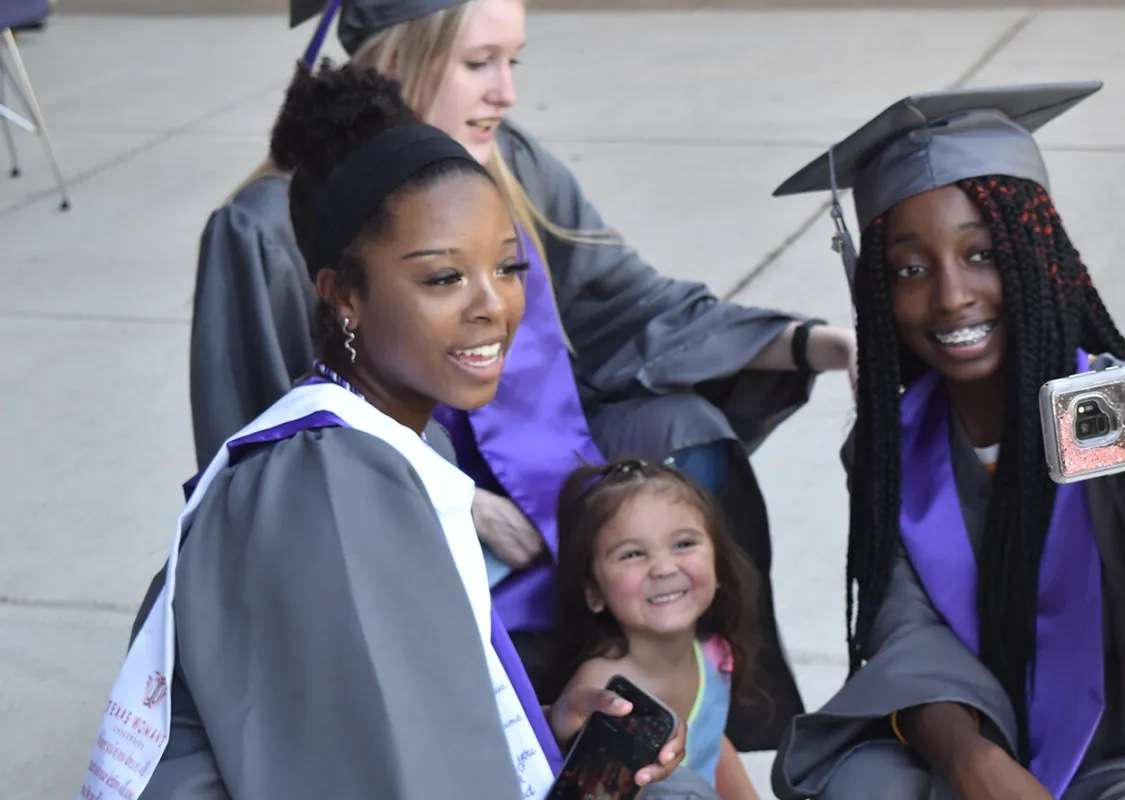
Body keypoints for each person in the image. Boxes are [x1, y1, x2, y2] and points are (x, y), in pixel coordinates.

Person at [189, 0, 857, 747]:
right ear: (392, 61)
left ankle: (699, 723)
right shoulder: (267, 227)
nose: (505, 92)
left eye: (514, 62)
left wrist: (816, 344)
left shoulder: (509, 161)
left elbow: (625, 306)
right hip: (388, 502)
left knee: (686, 439)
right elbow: (261, 442)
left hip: (537, 461)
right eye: (479, 64)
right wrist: (452, 498)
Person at [80, 62, 684, 799]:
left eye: (509, 266)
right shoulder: (329, 486)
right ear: (343, 298)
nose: (492, 305)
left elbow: (390, 719)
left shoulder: (369, 445)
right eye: (442, 278)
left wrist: (548, 722)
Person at [769, 82, 1125, 799]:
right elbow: (904, 632)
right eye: (910, 269)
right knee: (861, 784)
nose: (950, 296)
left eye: (983, 254)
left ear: (1042, 260)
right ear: (873, 288)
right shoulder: (888, 449)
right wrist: (975, 765)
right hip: (976, 742)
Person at [551, 459, 764, 799]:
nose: (663, 568)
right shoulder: (601, 694)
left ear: (719, 564)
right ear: (594, 592)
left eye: (683, 544)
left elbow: (711, 742)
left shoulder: (713, 652)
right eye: (633, 554)